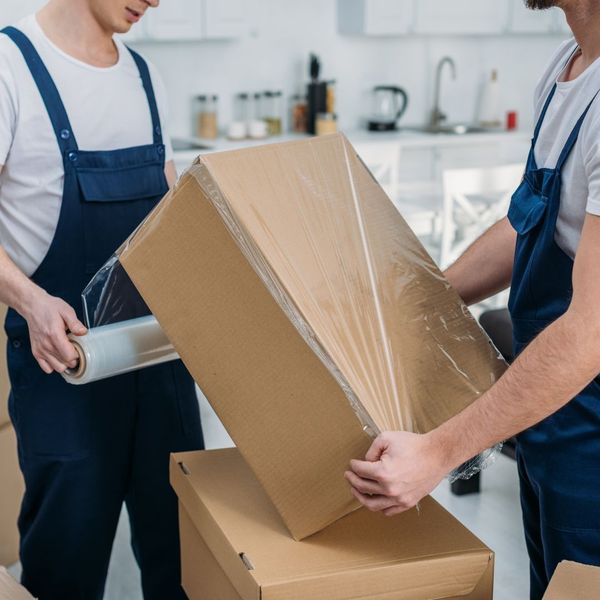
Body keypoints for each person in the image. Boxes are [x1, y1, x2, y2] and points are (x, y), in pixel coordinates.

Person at [346, 1, 600, 598]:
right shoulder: (568, 68)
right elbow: (528, 224)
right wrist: (417, 298)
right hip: (551, 412)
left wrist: (438, 452)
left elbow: (589, 333)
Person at [0, 1, 204, 598]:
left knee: (183, 552)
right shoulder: (10, 67)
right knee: (67, 557)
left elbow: (170, 213)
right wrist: (31, 302)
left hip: (161, 357)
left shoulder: (144, 77)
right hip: (63, 361)